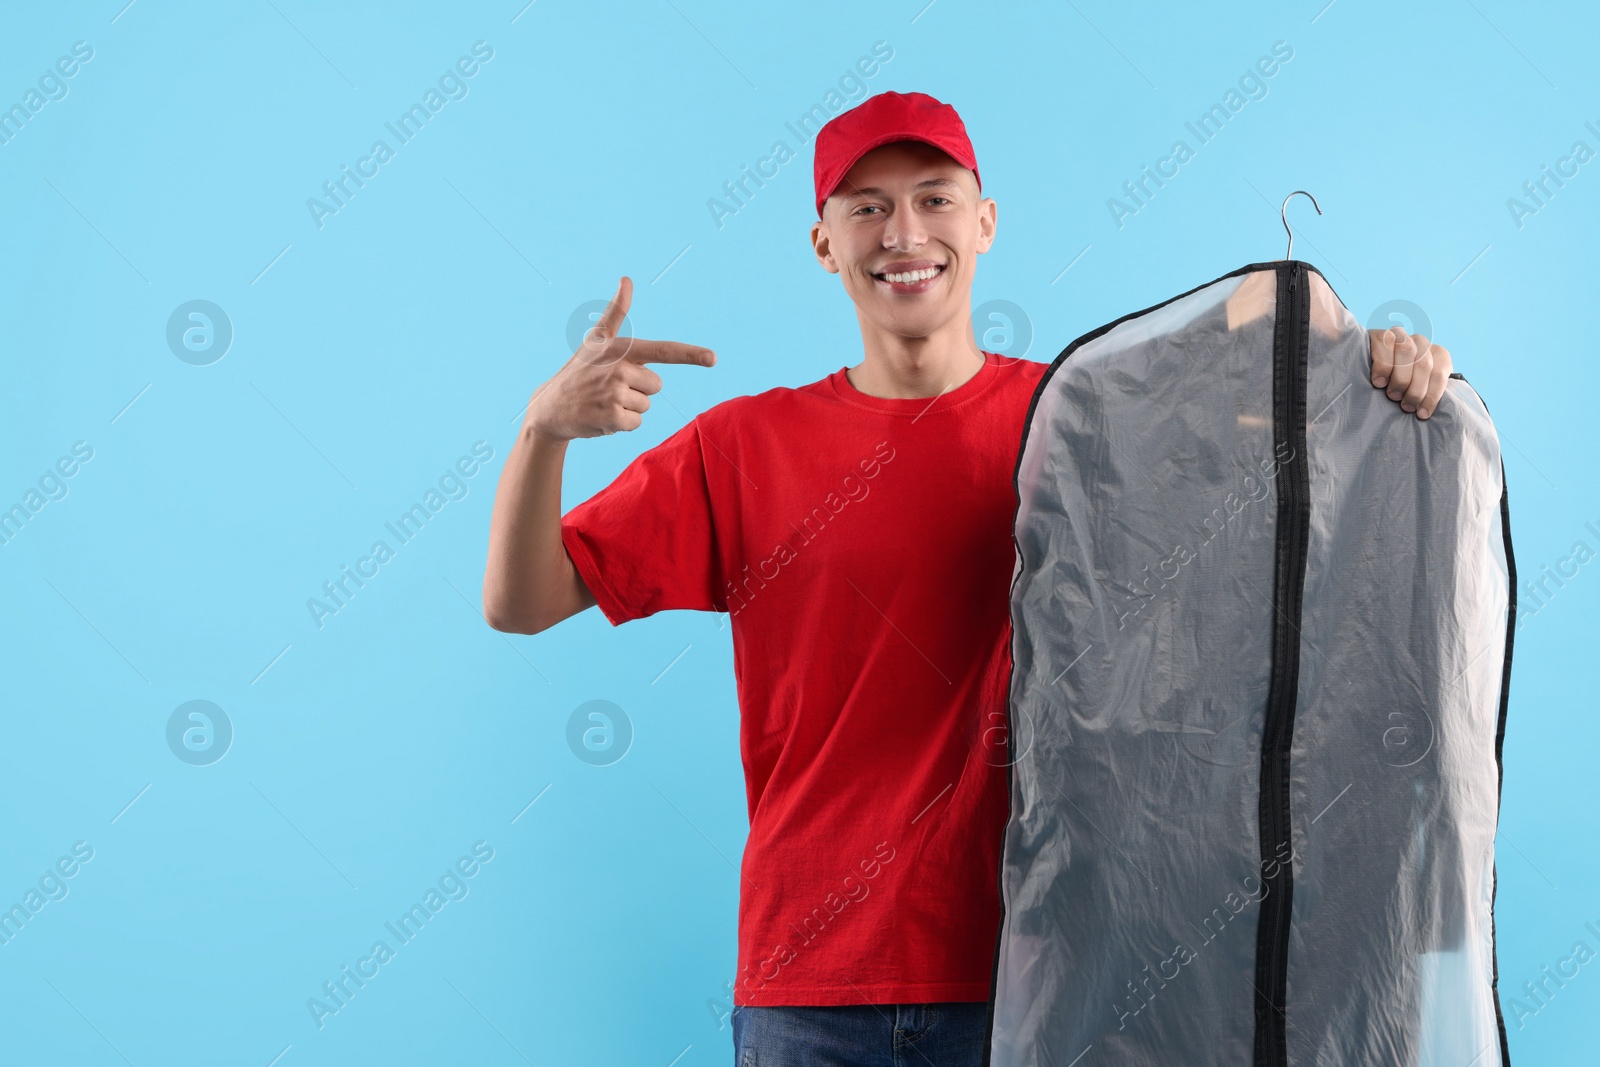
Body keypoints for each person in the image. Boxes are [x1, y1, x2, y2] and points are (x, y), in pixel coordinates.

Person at [481, 90, 1451, 1066]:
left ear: (983, 223)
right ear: (823, 242)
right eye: (865, 206)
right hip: (813, 990)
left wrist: (1373, 369)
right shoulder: (741, 447)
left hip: (1043, 976)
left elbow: (1279, 445)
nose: (904, 231)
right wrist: (542, 431)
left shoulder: (1083, 420)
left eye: (934, 198)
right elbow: (520, 601)